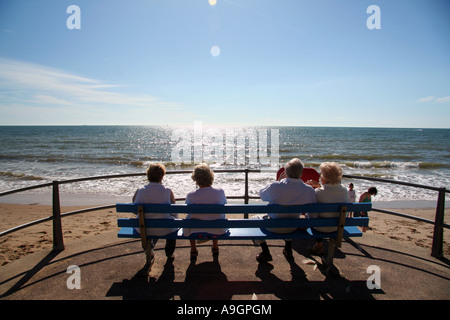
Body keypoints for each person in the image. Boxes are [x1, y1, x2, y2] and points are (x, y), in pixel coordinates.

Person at [257, 158, 317, 262]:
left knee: (255, 219)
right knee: (291, 218)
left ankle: (265, 251)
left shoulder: (275, 186)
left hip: (272, 227)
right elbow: (312, 213)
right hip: (293, 228)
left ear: (285, 172)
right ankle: (288, 248)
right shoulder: (308, 190)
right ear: (301, 173)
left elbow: (262, 195)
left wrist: (278, 181)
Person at [132, 163, 177, 259]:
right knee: (172, 223)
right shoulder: (167, 191)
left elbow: (134, 209)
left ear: (148, 175)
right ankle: (169, 253)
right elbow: (174, 210)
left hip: (144, 228)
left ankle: (149, 248)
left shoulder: (140, 191)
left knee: (151, 222)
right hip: (165, 229)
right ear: (162, 176)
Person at [183, 163, 227, 259]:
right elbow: (224, 206)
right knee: (215, 218)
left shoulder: (191, 195)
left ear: (195, 179)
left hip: (195, 230)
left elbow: (187, 211)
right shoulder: (220, 192)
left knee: (189, 220)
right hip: (218, 230)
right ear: (210, 176)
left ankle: (193, 249)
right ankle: (215, 247)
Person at [306, 162, 348, 255]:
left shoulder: (318, 192)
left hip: (320, 228)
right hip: (337, 227)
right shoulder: (344, 191)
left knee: (314, 217)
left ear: (325, 177)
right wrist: (319, 186)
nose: (320, 176)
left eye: (321, 174)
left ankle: (319, 245)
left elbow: (313, 215)